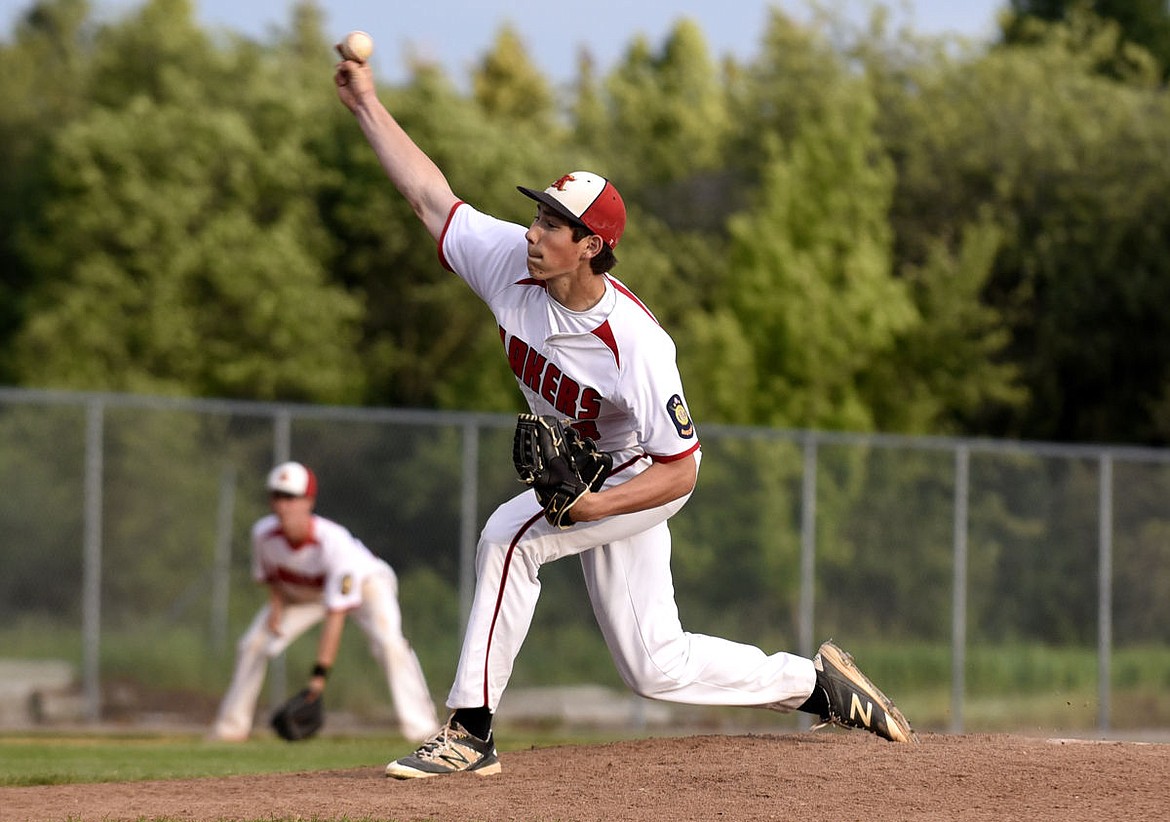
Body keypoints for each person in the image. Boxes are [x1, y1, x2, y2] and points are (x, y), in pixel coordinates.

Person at [333, 54, 916, 779]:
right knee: (655, 665)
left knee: (508, 536)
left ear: (592, 248)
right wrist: (366, 105)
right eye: (540, 214)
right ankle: (818, 684)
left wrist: (596, 506)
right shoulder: (505, 264)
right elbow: (429, 196)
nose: (535, 230)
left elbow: (684, 468)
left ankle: (470, 730)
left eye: (556, 223)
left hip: (638, 477)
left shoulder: (636, 345)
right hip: (591, 478)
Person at [210, 461, 440, 742]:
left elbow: (335, 616)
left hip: (367, 585)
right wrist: (277, 608)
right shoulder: (263, 534)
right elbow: (271, 576)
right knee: (252, 644)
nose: (283, 505)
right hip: (308, 594)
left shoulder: (334, 543)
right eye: (277, 496)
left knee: (389, 644)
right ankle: (230, 730)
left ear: (308, 501)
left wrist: (317, 680)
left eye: (291, 497)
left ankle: (424, 730)